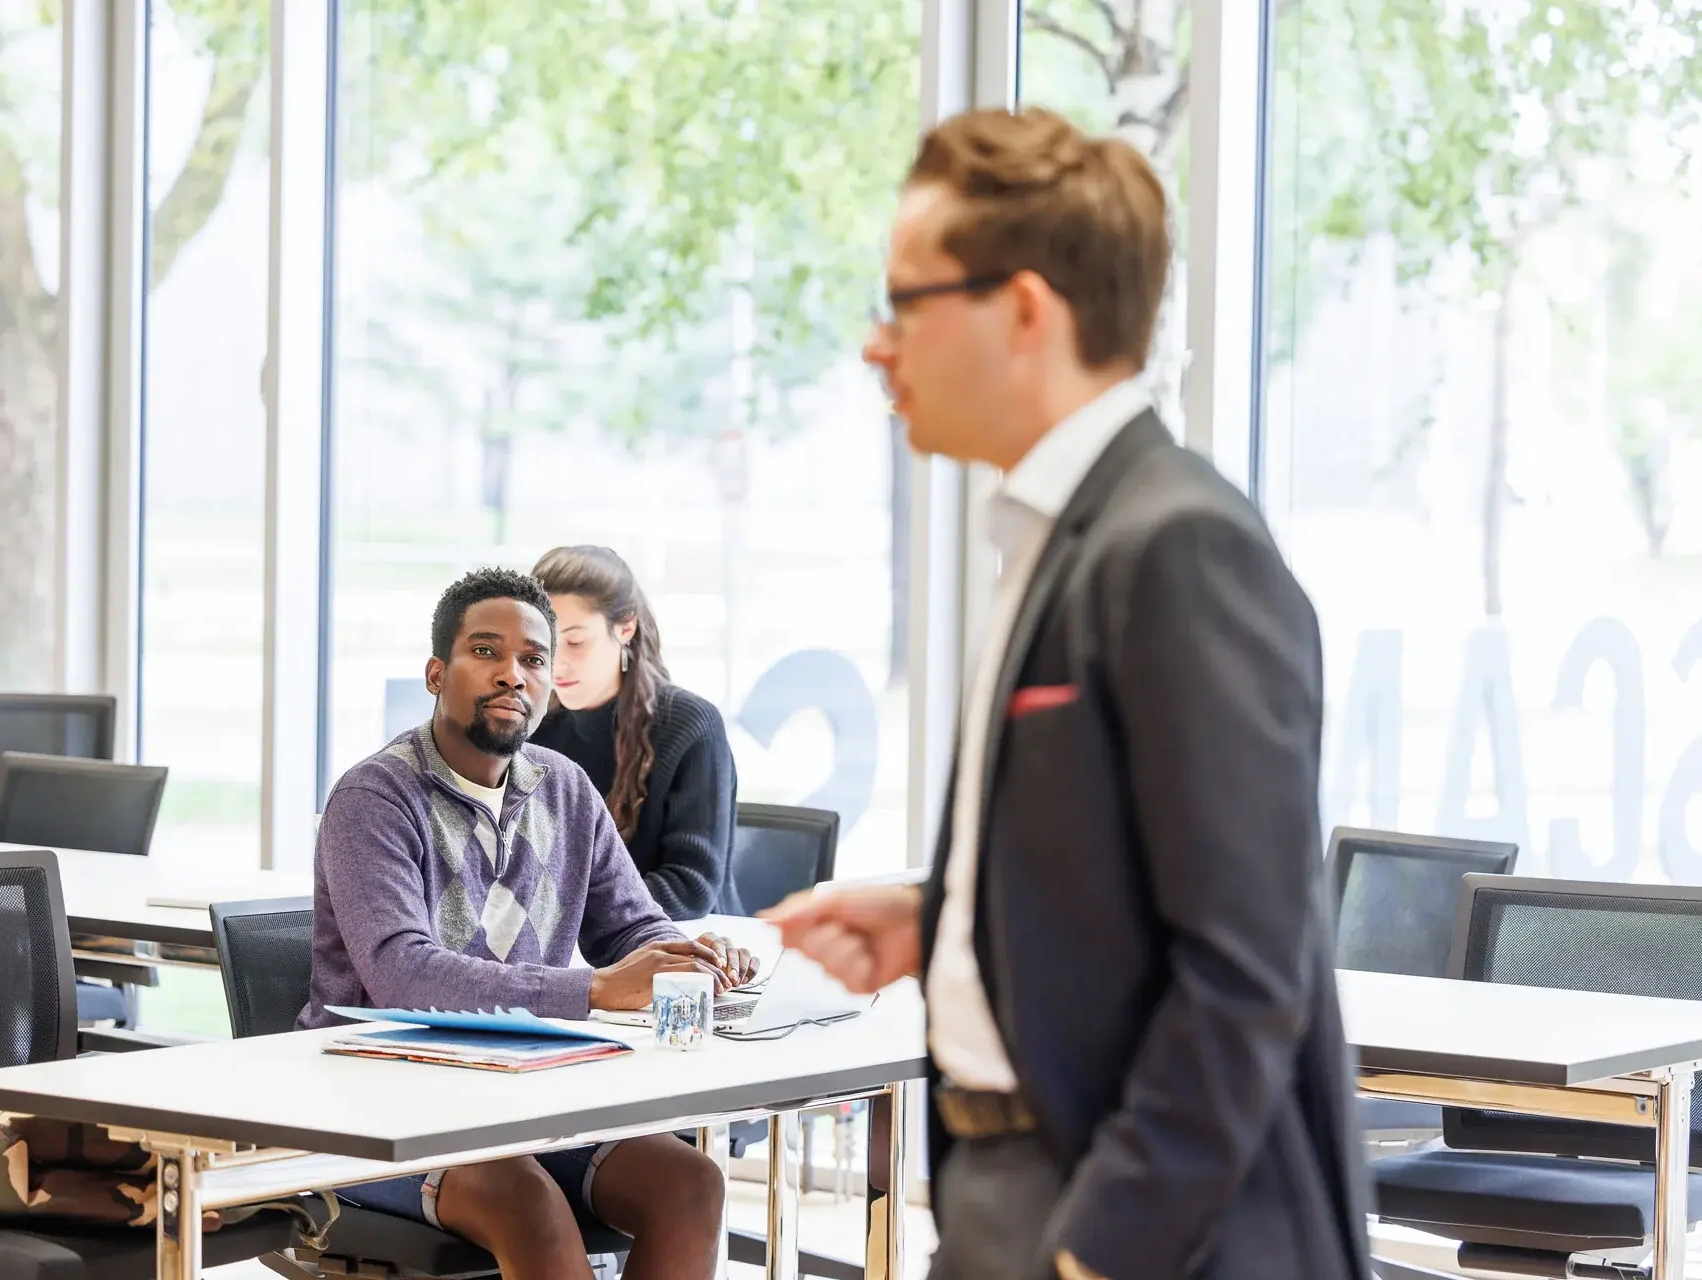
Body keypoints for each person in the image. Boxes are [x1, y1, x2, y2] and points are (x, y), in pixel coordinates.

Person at [764, 108, 1372, 1280]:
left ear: (1025, 310)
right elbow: (1119, 861)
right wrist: (948, 918)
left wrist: (1100, 1251)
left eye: (906, 301)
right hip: (1009, 1187)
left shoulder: (1177, 543)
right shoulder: (1053, 535)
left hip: (1140, 1223)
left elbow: (1246, 969)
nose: (875, 346)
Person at [299, 566, 755, 1280]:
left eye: (534, 659)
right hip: (375, 1112)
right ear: (434, 673)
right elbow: (400, 973)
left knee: (689, 1183)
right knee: (527, 1206)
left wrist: (681, 955)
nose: (513, 674)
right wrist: (596, 990)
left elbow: (630, 926)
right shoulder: (374, 796)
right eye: (486, 652)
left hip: (522, 1100)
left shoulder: (565, 790)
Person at [528, 545, 742, 918]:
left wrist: (558, 910)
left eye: (575, 641)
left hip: (691, 950)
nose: (556, 662)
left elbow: (690, 888)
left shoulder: (690, 724)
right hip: (581, 955)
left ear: (625, 626)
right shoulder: (535, 726)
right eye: (544, 643)